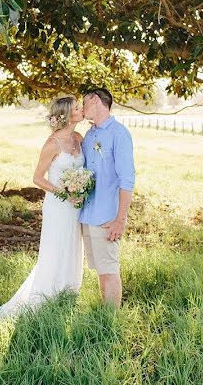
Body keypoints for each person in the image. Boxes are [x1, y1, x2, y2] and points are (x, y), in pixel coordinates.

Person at [0, 95, 86, 330]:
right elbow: (37, 178)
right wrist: (65, 193)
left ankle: (68, 294)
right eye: (77, 107)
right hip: (58, 206)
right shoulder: (53, 144)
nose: (81, 109)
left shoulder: (79, 138)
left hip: (76, 207)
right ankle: (46, 297)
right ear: (66, 114)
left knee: (72, 246)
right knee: (56, 248)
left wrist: (81, 187)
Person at [79, 87, 135, 308]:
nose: (82, 108)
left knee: (109, 270)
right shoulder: (89, 134)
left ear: (95, 100)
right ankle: (105, 315)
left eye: (84, 103)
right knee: (101, 271)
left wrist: (120, 220)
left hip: (107, 216)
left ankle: (110, 324)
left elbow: (127, 179)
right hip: (88, 215)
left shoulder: (119, 133)